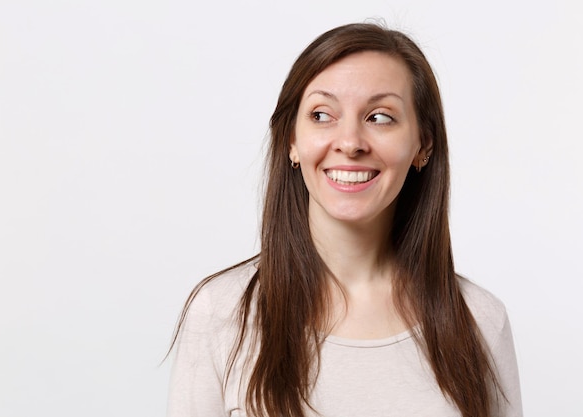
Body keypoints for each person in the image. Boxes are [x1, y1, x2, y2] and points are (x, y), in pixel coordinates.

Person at [166, 22, 523, 417]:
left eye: (380, 117)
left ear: (423, 143)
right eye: (322, 115)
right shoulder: (220, 312)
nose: (350, 142)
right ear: (291, 141)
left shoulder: (480, 321)